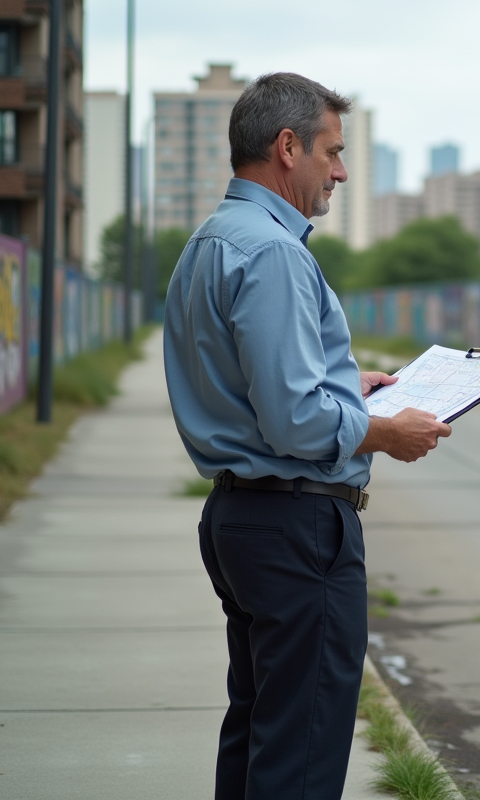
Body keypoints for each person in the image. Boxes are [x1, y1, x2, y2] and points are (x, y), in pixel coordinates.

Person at [163, 72, 451, 800]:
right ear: (287, 147)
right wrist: (384, 433)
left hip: (244, 518)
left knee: (262, 729)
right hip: (294, 525)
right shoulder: (273, 253)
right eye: (333, 152)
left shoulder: (213, 240)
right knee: (304, 747)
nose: (342, 171)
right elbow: (292, 421)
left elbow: (248, 384)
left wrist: (345, 389)